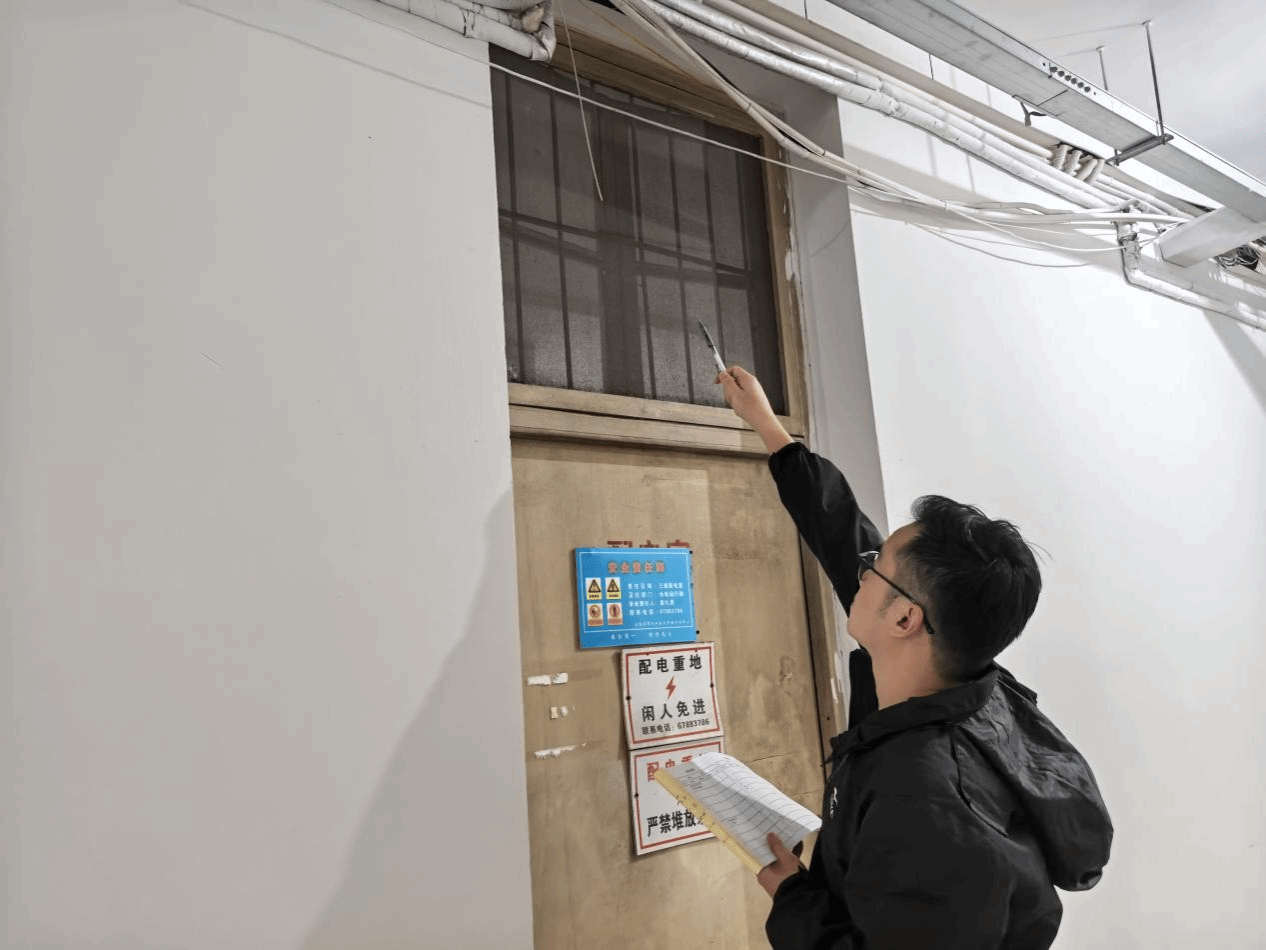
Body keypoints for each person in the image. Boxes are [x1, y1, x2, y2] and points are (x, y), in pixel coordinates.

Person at [715, 365, 1112, 950]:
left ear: (905, 620)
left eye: (873, 566)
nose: (860, 569)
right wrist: (770, 429)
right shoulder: (970, 686)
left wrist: (795, 899)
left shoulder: (923, 801)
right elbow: (844, 537)